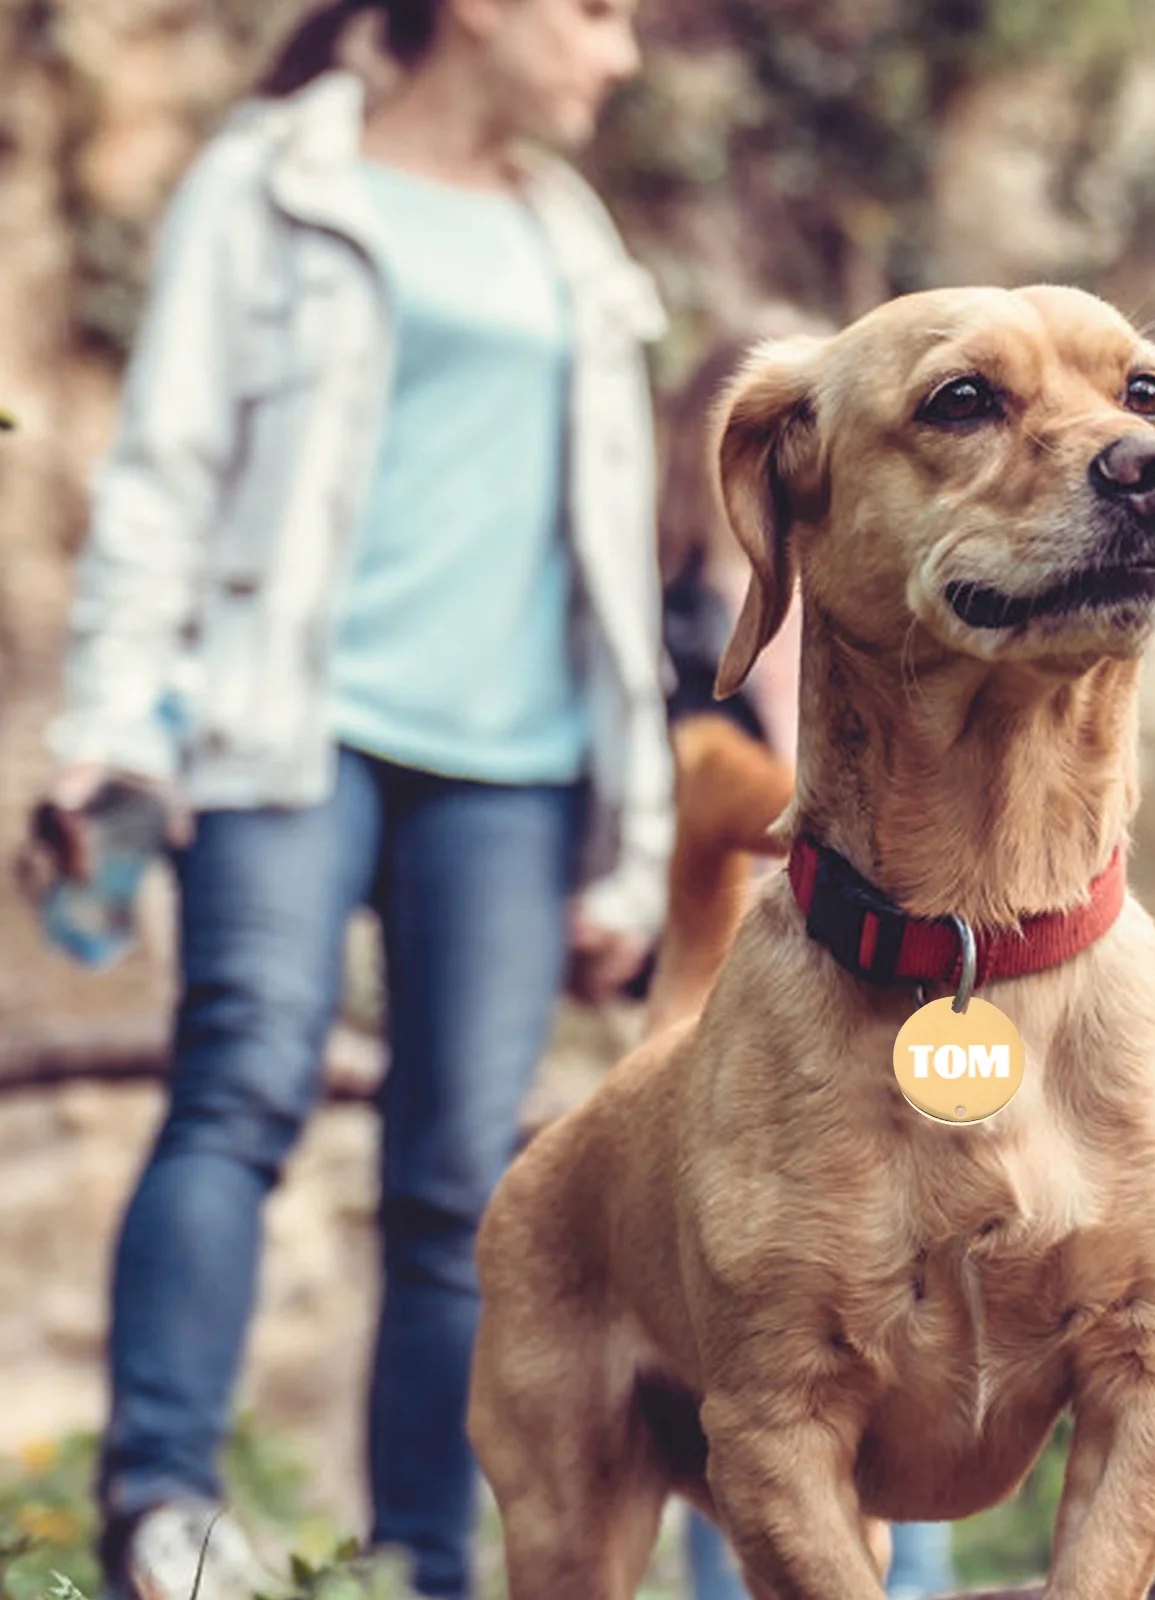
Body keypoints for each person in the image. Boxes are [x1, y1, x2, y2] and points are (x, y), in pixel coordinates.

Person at [38, 2, 670, 1598]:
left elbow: (611, 564)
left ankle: (422, 1565)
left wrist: (635, 846)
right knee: (241, 1081)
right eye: (594, 15)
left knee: (463, 1184)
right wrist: (117, 722)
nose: (621, 55)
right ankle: (162, 1512)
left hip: (521, 767)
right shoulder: (272, 183)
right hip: (288, 724)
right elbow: (166, 467)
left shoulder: (574, 244)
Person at [652, 327, 958, 1600]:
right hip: (729, 1030)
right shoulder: (662, 651)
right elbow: (684, 826)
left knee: (931, 1323)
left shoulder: (923, 616)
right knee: (758, 1358)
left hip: (923, 1007)